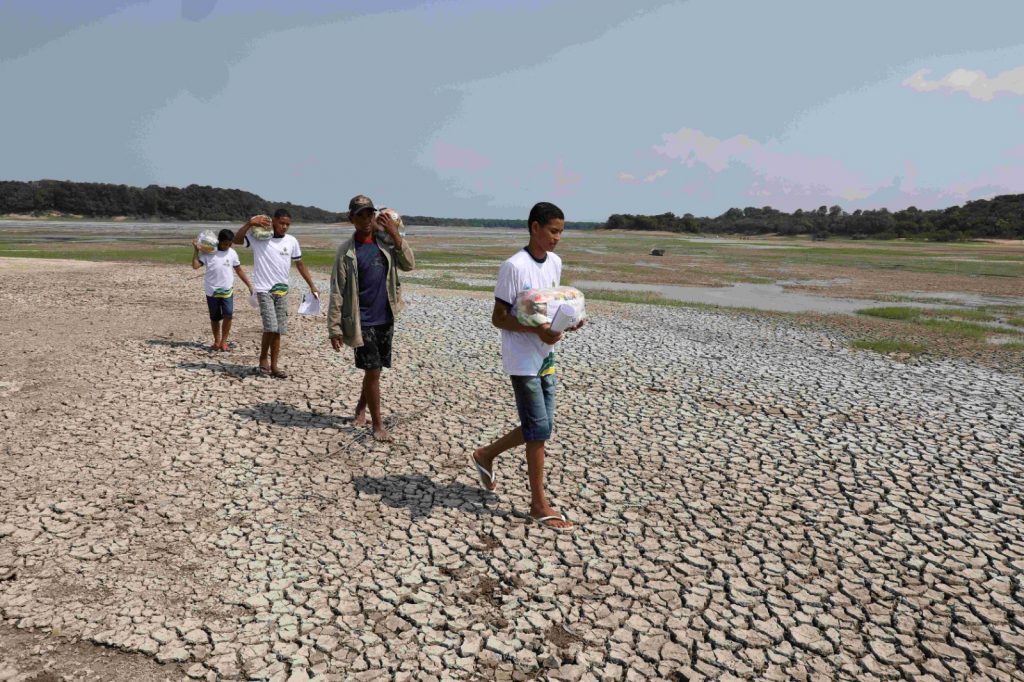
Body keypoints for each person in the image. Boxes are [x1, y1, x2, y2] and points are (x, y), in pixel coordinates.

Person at [471, 201, 585, 532]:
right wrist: (538, 330)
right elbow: (499, 317)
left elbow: (548, 307)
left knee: (541, 427)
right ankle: (538, 505)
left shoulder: (555, 262)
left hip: (546, 355)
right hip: (522, 360)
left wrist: (567, 323)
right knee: (538, 430)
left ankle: (485, 455)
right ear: (534, 227)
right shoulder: (514, 267)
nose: (557, 238)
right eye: (553, 231)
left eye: (561, 232)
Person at [327, 195, 415, 442]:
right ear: (351, 218)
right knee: (373, 370)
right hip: (361, 320)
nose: (366, 220)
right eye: (360, 215)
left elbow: (409, 264)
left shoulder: (386, 243)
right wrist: (334, 328)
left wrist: (395, 234)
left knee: (374, 371)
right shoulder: (346, 252)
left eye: (370, 214)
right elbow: (337, 290)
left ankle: (360, 409)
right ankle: (378, 425)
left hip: (386, 316)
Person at [234, 209, 319, 378]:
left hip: (282, 291)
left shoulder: (292, 241)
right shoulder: (259, 237)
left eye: (287, 224)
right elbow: (236, 240)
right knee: (270, 327)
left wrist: (312, 286)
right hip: (263, 290)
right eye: (281, 223)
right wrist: (250, 223)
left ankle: (274, 366)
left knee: (278, 330)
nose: (284, 227)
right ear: (273, 221)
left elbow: (300, 265)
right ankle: (262, 359)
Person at [191, 229, 253, 352]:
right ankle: (216, 341)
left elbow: (239, 270)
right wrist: (196, 250)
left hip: (227, 291)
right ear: (219, 241)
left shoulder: (232, 253)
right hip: (211, 291)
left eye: (230, 244)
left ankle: (224, 342)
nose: (228, 246)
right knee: (214, 318)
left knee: (228, 315)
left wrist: (250, 285)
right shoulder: (208, 252)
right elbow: (195, 266)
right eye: (225, 244)